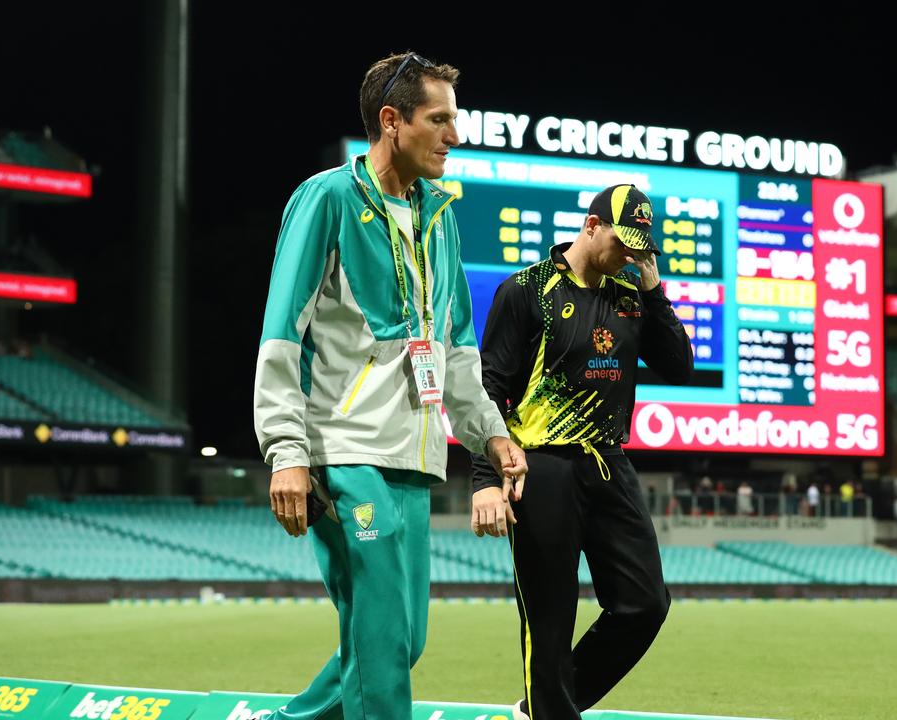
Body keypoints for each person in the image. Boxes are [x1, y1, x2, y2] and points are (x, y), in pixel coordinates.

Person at [253, 51, 527, 720]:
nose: (453, 137)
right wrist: (287, 453)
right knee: (379, 638)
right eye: (438, 120)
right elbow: (282, 335)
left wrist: (491, 433)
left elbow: (457, 349)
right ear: (391, 122)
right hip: (343, 453)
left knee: (401, 640)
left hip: (413, 456)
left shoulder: (443, 217)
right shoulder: (327, 200)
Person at [473, 184, 694, 720]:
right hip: (541, 468)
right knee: (549, 623)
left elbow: (680, 367)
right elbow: (488, 387)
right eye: (624, 243)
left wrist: (654, 288)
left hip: (610, 463)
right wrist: (485, 477)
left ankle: (542, 707)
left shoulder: (630, 295)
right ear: (591, 225)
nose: (631, 255)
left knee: (645, 605)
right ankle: (552, 710)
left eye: (642, 247)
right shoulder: (527, 290)